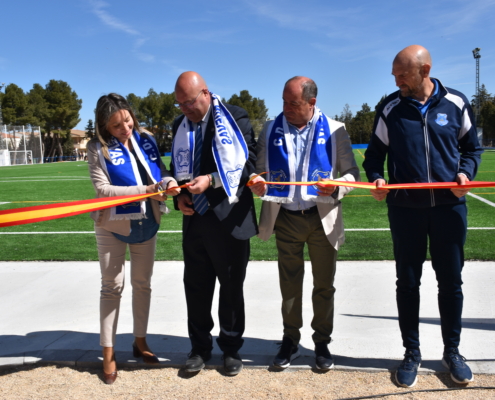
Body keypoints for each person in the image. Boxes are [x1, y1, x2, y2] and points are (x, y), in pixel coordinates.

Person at [363, 45, 483, 388]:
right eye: (394, 74)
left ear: (424, 70)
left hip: (450, 208)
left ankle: (453, 352)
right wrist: (377, 178)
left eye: (402, 74)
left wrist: (465, 175)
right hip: (405, 211)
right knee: (408, 283)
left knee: (451, 282)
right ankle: (411, 353)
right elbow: (374, 157)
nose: (396, 79)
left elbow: (472, 149)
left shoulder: (456, 103)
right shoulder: (390, 108)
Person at [249, 76, 360, 370]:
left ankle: (322, 342)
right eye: (283, 101)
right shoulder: (270, 129)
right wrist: (257, 182)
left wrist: (336, 187)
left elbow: (352, 175)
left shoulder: (335, 130)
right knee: (290, 284)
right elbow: (258, 171)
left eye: (293, 103)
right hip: (285, 217)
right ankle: (290, 340)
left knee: (324, 285)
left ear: (312, 103)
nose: (285, 107)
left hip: (322, 218)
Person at [87, 93, 180, 385]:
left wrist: (168, 183)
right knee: (111, 287)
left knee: (143, 285)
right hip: (111, 224)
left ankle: (140, 341)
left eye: (127, 120)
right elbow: (102, 190)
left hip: (147, 222)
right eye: (116, 126)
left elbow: (160, 172)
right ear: (104, 126)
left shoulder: (146, 138)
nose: (125, 128)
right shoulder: (96, 148)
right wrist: (146, 188)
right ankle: (109, 352)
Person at [170, 72, 258, 376]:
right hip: (195, 220)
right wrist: (179, 197)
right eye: (179, 104)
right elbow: (176, 169)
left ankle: (231, 348)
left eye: (190, 102)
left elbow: (247, 164)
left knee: (231, 288)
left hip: (229, 217)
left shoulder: (235, 117)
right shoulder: (179, 126)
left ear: (205, 93)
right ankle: (199, 347)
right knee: (195, 287)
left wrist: (211, 180)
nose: (185, 110)